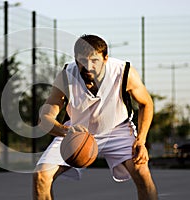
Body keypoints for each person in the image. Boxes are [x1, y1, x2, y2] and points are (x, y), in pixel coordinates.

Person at [33, 34, 158, 200]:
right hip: (76, 131)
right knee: (41, 176)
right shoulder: (66, 76)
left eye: (94, 61)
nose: (88, 66)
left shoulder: (124, 72)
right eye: (82, 61)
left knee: (142, 173)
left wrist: (141, 141)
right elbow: (45, 118)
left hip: (117, 131)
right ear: (76, 59)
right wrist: (66, 131)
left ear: (105, 58)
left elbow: (146, 104)